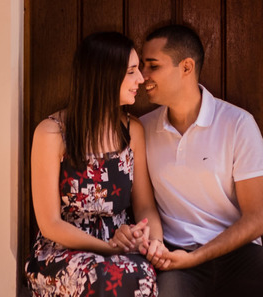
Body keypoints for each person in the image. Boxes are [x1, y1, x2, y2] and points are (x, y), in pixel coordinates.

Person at [136, 24, 263, 297]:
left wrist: (197, 257)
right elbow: (145, 205)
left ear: (186, 67)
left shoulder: (238, 124)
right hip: (175, 256)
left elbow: (257, 219)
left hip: (235, 253)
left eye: (152, 66)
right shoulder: (143, 128)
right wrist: (160, 247)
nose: (142, 75)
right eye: (142, 66)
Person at [25, 31, 162, 297]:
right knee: (104, 276)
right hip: (62, 250)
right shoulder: (51, 133)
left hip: (122, 245)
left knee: (140, 273)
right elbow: (50, 223)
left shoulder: (132, 130)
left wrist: (153, 241)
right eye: (131, 71)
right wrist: (107, 248)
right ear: (104, 76)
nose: (141, 78)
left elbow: (145, 206)